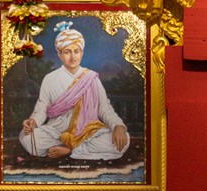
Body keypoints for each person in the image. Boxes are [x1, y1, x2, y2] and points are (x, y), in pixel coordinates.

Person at [19, 22, 131, 161]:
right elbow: (42, 108)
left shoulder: (91, 78)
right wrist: (33, 121)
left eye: (76, 51)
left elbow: (104, 108)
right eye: (67, 52)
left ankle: (70, 150)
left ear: (82, 53)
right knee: (26, 137)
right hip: (57, 132)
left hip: (87, 132)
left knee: (124, 138)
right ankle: (79, 148)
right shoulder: (50, 79)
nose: (73, 57)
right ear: (59, 54)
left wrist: (118, 125)